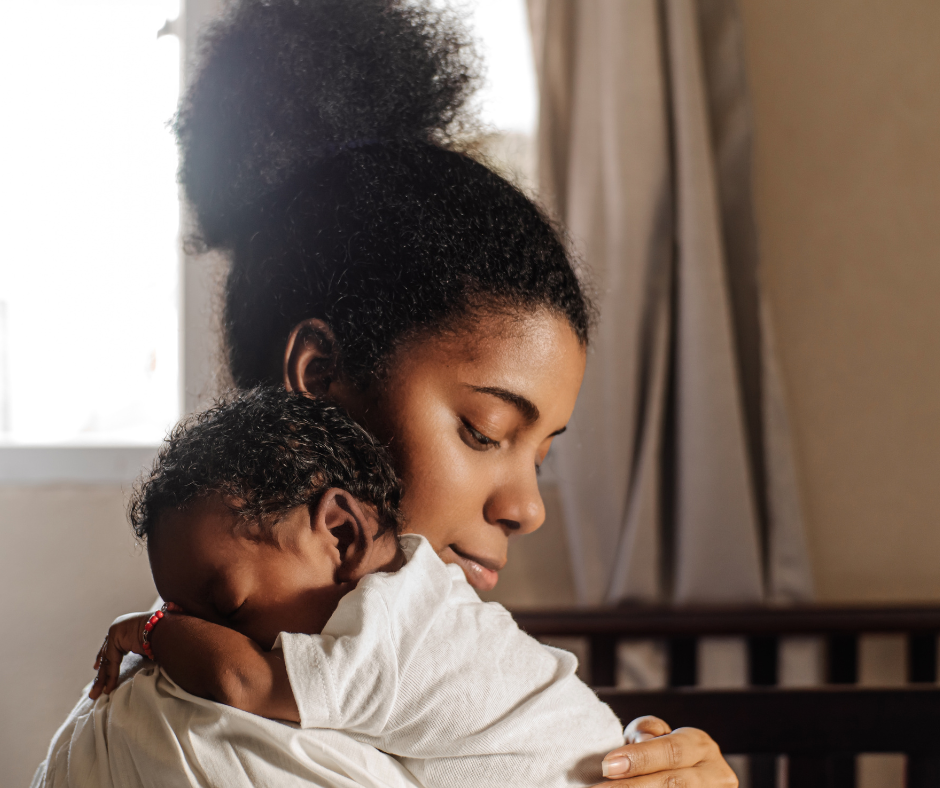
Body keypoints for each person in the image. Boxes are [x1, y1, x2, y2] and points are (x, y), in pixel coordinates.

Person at [36, 0, 737, 784]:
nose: (527, 508)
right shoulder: (206, 742)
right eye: (484, 429)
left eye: (540, 455)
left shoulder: (424, 687)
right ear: (318, 381)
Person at [90, 387, 626, 787]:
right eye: (183, 610)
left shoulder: (385, 634)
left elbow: (242, 682)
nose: (207, 633)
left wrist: (152, 629)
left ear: (342, 535)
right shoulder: (420, 589)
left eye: (225, 607)